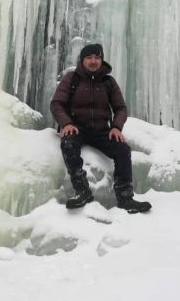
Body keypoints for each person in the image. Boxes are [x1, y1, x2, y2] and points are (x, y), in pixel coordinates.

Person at [50, 43, 151, 213]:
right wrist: (66, 123)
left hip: (101, 131)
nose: (93, 61)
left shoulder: (108, 82)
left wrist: (116, 127)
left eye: (97, 57)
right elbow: (56, 104)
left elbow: (120, 108)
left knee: (122, 150)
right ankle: (82, 191)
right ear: (82, 60)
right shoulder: (71, 78)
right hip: (77, 128)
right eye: (89, 57)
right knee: (68, 144)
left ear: (101, 60)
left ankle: (125, 197)